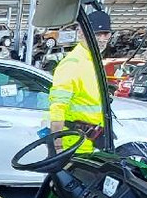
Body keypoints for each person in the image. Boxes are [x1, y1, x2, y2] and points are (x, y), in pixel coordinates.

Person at [48, 8, 112, 153]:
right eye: (97, 34)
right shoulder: (72, 64)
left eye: (105, 34)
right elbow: (57, 108)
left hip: (90, 144)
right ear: (82, 33)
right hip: (73, 145)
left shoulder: (93, 62)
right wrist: (57, 147)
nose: (102, 39)